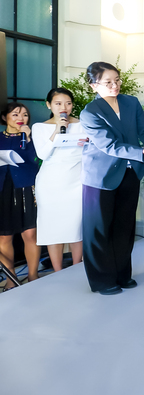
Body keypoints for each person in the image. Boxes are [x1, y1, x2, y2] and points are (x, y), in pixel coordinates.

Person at [80, 62, 144, 295]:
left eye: (117, 80)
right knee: (99, 229)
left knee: (124, 226)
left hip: (130, 171)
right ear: (93, 86)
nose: (115, 85)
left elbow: (143, 129)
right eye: (108, 82)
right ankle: (102, 280)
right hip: (101, 176)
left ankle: (122, 274)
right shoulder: (90, 112)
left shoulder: (130, 102)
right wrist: (142, 152)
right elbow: (109, 145)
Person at [32, 88, 87, 272]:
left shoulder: (83, 124)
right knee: (53, 228)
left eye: (68, 103)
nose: (64, 107)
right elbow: (43, 154)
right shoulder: (39, 127)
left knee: (76, 227)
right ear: (49, 105)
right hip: (50, 183)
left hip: (77, 181)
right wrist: (57, 130)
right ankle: (57, 272)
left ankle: (77, 267)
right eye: (58, 103)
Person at [0, 103, 39, 290]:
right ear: (4, 117)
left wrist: (28, 138)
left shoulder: (31, 137)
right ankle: (11, 279)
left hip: (26, 186)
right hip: (3, 188)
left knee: (30, 233)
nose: (21, 118)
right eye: (15, 114)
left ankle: (33, 276)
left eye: (24, 115)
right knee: (4, 237)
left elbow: (36, 160)